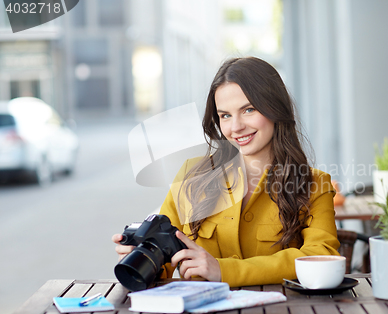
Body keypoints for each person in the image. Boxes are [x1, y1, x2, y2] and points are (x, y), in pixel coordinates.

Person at [113, 57, 340, 287]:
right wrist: (142, 257)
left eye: (249, 109)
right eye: (225, 115)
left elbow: (321, 255)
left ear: (275, 108)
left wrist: (223, 270)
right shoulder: (191, 175)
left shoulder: (314, 184)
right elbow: (165, 260)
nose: (235, 127)